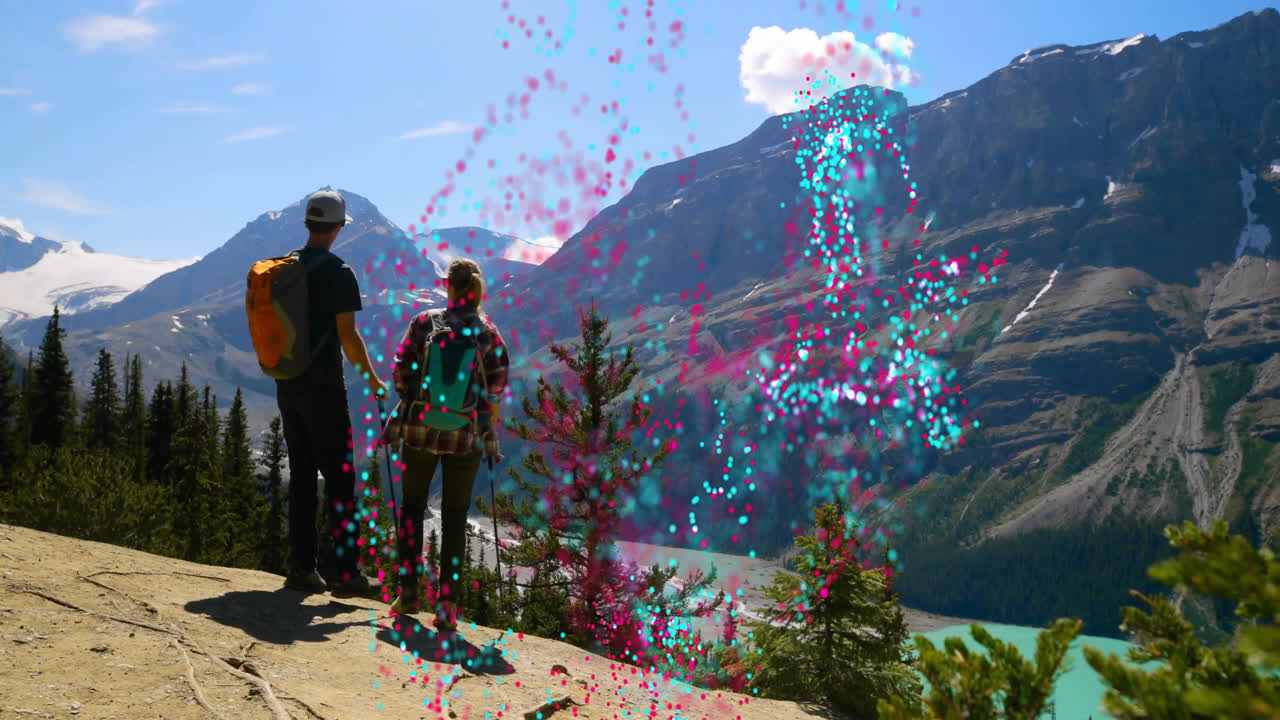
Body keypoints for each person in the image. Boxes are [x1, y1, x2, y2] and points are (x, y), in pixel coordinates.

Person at [382, 257, 509, 632]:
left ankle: (408, 593)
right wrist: (487, 430)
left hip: (420, 431)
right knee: (455, 517)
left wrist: (412, 401)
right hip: (465, 436)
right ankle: (448, 608)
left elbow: (400, 373)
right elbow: (497, 387)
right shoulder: (488, 332)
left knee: (411, 509)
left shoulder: (424, 323)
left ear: (448, 287)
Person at [278, 189, 386, 598]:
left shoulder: (286, 266)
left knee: (302, 477)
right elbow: (348, 337)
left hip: (287, 382)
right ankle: (345, 572)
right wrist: (373, 379)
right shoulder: (339, 272)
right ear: (339, 227)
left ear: (308, 223)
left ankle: (302, 567)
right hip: (324, 388)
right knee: (341, 480)